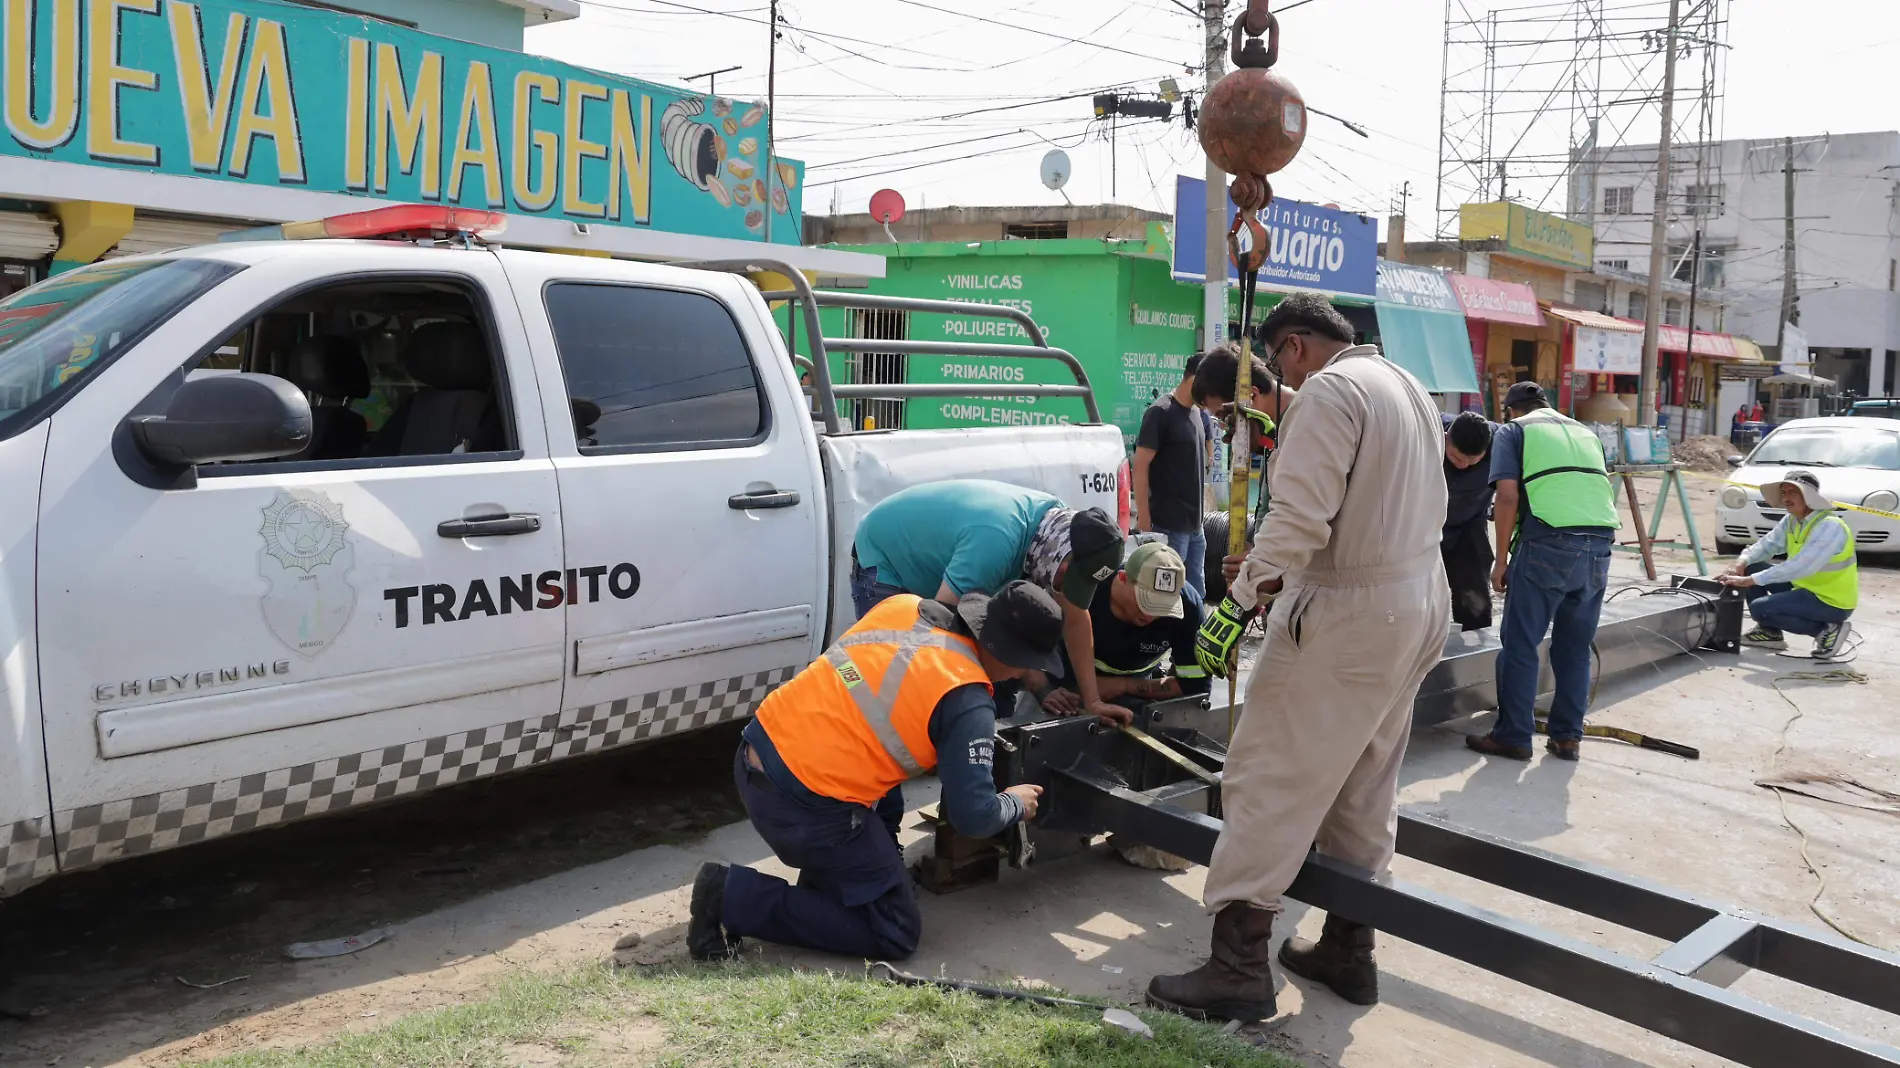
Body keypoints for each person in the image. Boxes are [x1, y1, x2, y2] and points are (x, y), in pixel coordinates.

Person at [1146, 293, 1449, 1023]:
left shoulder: (1330, 392)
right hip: (1414, 600)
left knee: (1267, 776)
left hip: (1350, 613)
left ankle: (1238, 966)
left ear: (1292, 349)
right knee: (1362, 780)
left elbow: (1301, 518)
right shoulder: (1406, 386)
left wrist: (1238, 602)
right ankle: (1350, 945)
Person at [690, 581, 1062, 961]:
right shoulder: (965, 697)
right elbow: (974, 815)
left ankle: (837, 882)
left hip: (756, 754)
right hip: (804, 808)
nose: (1021, 674)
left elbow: (856, 680)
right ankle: (730, 896)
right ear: (1007, 652)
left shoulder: (904, 608)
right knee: (895, 931)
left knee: (885, 802)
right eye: (1025, 664)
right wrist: (1014, 803)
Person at [851, 479, 1129, 725]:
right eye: (1068, 577)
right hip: (887, 553)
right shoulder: (997, 542)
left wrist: (1092, 701)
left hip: (949, 567)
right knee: (895, 675)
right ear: (1058, 549)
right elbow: (939, 627)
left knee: (989, 682)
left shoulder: (1057, 532)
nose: (1061, 587)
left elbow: (1076, 619)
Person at [1467, 382, 1618, 763]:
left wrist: (1500, 560)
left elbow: (1507, 495)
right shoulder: (1585, 432)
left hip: (1549, 544)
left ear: (1511, 410)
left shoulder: (1514, 431)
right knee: (1574, 648)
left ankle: (1514, 736)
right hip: (1599, 545)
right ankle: (1567, 738)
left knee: (1520, 645)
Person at [1028, 542, 1209, 712]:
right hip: (1063, 688)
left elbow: (1194, 687)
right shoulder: (1085, 589)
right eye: (1145, 603)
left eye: (1161, 608)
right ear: (1122, 578)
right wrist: (1043, 690)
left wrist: (1123, 685)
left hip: (1136, 688)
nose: (1150, 616)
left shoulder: (1189, 609)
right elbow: (1021, 644)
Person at [1718, 470, 1857, 659]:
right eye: (1784, 493)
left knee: (1761, 608)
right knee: (1752, 565)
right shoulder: (1792, 521)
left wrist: (1749, 581)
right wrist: (1741, 563)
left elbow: (1800, 567)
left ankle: (1826, 629)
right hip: (1805, 588)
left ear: (1809, 497)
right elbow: (1767, 545)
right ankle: (1770, 633)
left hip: (1830, 601)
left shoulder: (1829, 526)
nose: (1786, 498)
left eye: (1793, 492)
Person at [1135, 356, 1210, 596]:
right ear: (1195, 379)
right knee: (1167, 595)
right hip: (1169, 526)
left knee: (1196, 594)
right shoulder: (1161, 412)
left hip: (1196, 526)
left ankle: (1195, 634)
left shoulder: (1197, 413)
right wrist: (1144, 519)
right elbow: (1140, 466)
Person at [1443, 412, 1499, 630]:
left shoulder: (1503, 443)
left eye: (1473, 461)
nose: (1463, 465)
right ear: (1446, 438)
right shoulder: (1426, 429)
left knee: (1474, 596)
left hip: (1470, 524)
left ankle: (1474, 648)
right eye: (1456, 458)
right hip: (1424, 523)